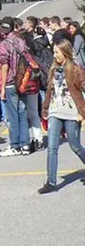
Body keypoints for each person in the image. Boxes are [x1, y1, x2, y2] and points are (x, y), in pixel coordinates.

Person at [38, 38, 85, 194]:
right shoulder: (53, 69)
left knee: (75, 146)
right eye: (54, 52)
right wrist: (45, 110)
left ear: (65, 52)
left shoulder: (76, 70)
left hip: (72, 113)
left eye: (57, 52)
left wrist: (82, 113)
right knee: (52, 147)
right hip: (55, 112)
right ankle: (51, 182)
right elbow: (50, 92)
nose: (54, 55)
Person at [0, 16, 32, 157]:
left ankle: (15, 145)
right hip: (23, 82)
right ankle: (25, 144)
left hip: (11, 83)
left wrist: (3, 87)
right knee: (22, 113)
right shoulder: (21, 41)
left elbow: (5, 67)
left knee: (12, 116)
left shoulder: (4, 44)